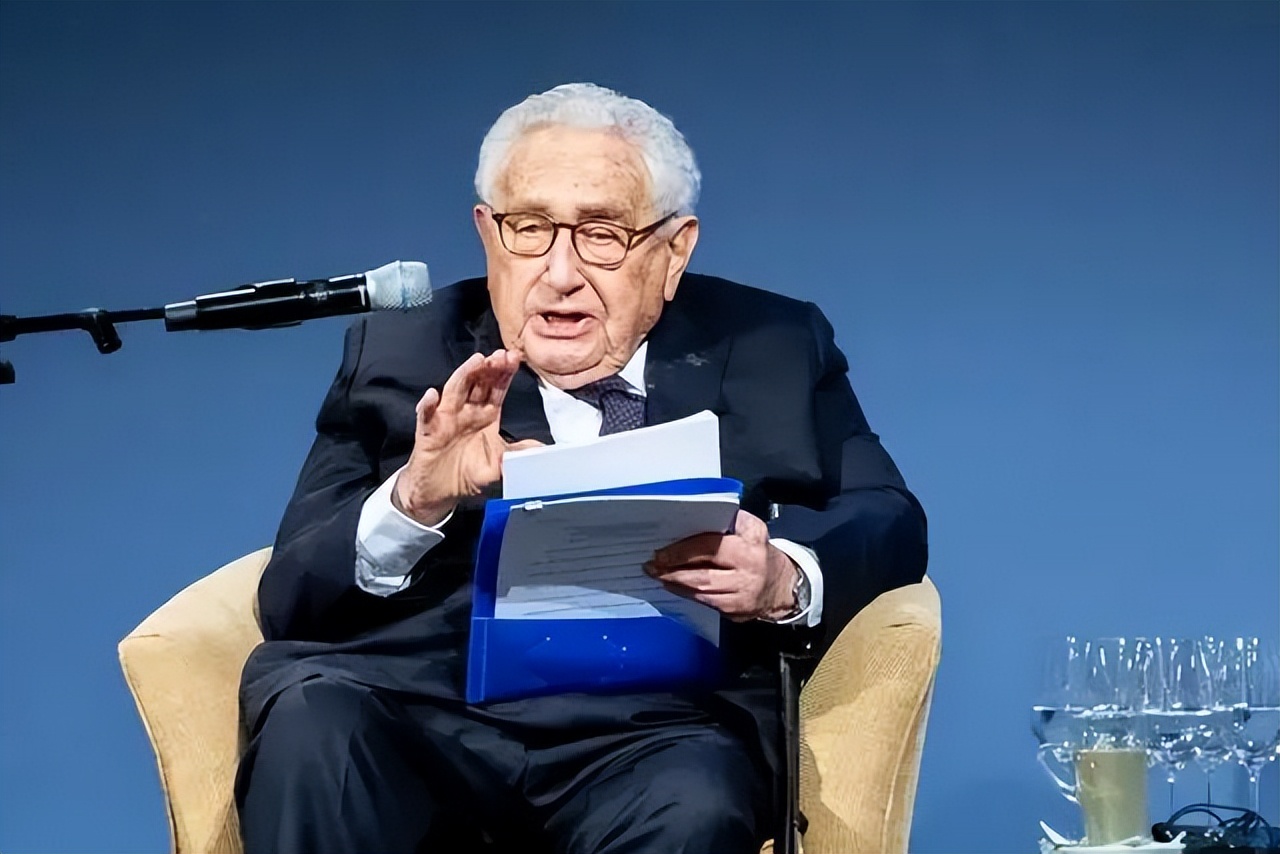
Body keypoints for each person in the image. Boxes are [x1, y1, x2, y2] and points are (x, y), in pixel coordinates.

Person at [235, 82, 928, 854]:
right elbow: (289, 598)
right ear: (487, 235)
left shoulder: (774, 346)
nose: (559, 273)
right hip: (418, 707)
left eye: (601, 235)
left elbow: (888, 516)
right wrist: (414, 500)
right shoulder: (401, 355)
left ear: (673, 251)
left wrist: (780, 577)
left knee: (695, 805)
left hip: (658, 730)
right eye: (529, 229)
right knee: (313, 721)